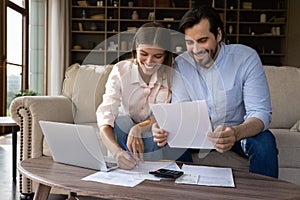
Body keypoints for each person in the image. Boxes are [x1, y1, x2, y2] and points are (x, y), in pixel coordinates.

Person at [152, 5, 279, 178]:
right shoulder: (181, 64)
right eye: (189, 42)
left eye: (203, 40)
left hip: (236, 134)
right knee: (166, 143)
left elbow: (260, 113)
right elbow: (180, 110)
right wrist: (164, 128)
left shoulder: (245, 58)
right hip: (196, 136)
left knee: (265, 143)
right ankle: (184, 192)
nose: (196, 50)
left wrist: (236, 133)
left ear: (218, 35)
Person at [97, 22, 181, 170]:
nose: (149, 62)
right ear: (135, 50)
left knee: (156, 132)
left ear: (166, 55)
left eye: (157, 56)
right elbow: (105, 117)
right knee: (123, 123)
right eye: (143, 54)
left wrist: (138, 128)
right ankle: (126, 164)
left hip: (150, 130)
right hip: (122, 129)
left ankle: (147, 176)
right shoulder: (120, 71)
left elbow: (162, 114)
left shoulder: (171, 75)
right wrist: (117, 152)